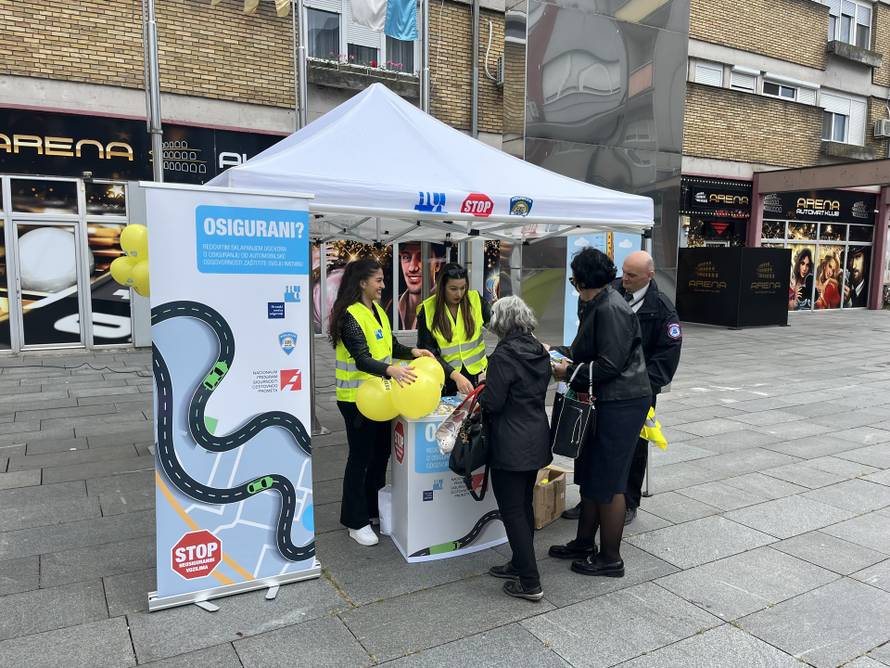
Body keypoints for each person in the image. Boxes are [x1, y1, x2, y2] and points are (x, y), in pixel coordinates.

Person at [548, 248, 651, 577]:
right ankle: (583, 543)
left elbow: (609, 364)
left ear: (578, 280)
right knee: (592, 471)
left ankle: (610, 558)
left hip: (622, 401)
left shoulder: (611, 308)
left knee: (609, 480)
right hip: (606, 399)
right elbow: (583, 350)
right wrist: (552, 353)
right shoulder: (596, 302)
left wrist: (568, 372)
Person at [330, 259, 434, 546]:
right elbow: (362, 358)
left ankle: (372, 508)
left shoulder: (378, 311)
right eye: (378, 280)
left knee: (380, 456)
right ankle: (355, 520)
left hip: (381, 398)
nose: (383, 285)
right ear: (362, 282)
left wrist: (414, 351)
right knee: (360, 458)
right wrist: (394, 371)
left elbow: (390, 346)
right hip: (356, 401)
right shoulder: (349, 316)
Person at [479, 296, 552, 601]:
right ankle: (519, 563)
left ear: (502, 323)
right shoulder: (538, 350)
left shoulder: (503, 357)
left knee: (513, 512)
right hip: (535, 436)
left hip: (510, 442)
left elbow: (493, 403)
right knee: (523, 506)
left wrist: (484, 383)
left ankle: (530, 581)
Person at [416, 263, 491, 396]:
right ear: (442, 287)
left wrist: (492, 367)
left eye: (463, 288)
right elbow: (428, 353)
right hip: (446, 380)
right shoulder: (427, 310)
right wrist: (456, 376)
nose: (459, 294)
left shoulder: (475, 300)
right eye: (453, 288)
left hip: (479, 376)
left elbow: (503, 328)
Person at [396, 242, 444, 329]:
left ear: (437, 264)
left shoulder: (445, 304)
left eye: (422, 257)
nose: (412, 268)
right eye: (406, 257)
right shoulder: (391, 305)